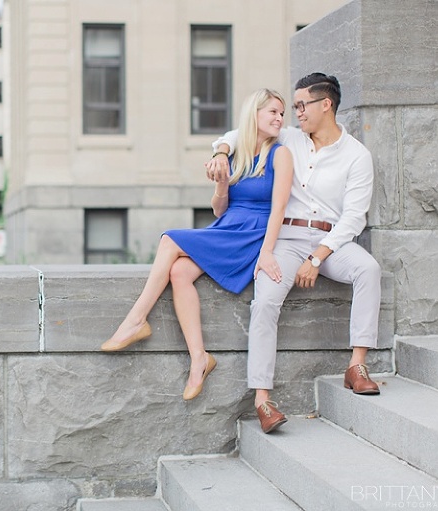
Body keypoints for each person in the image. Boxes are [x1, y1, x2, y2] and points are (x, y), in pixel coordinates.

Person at [206, 73, 382, 433]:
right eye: (294, 106)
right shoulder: (288, 138)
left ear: (325, 105)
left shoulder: (357, 156)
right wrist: (221, 152)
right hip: (285, 239)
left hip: (331, 243)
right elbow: (237, 134)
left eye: (302, 105)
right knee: (266, 300)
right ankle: (262, 399)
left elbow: (353, 218)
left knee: (368, 270)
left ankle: (357, 365)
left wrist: (317, 257)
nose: (296, 112)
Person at [100, 88, 294, 401]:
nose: (279, 119)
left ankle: (135, 321)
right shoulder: (233, 154)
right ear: (254, 115)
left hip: (252, 235)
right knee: (178, 272)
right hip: (228, 226)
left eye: (282, 113)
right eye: (273, 112)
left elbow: (280, 208)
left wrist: (268, 251)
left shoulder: (280, 153)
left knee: (169, 239)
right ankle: (199, 358)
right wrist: (221, 184)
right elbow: (220, 209)